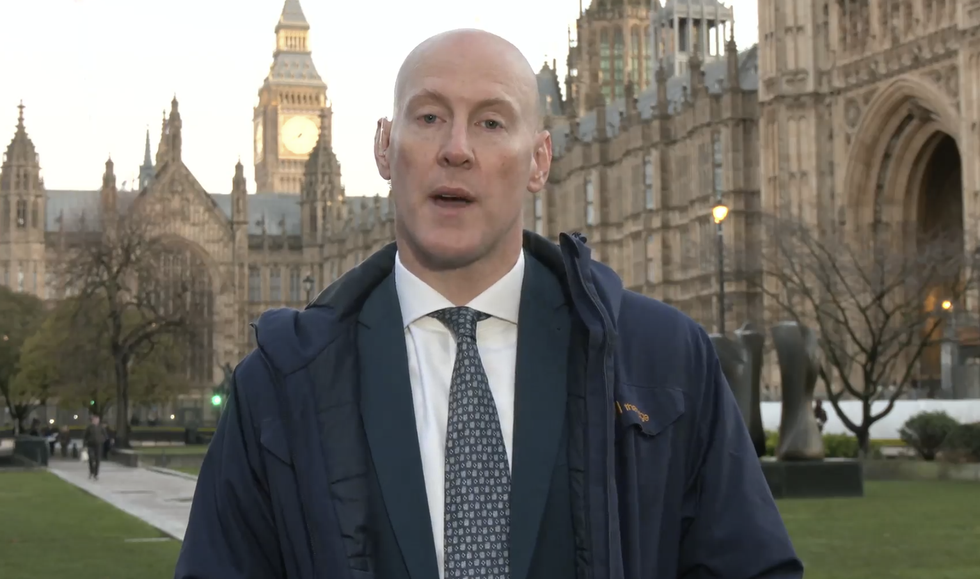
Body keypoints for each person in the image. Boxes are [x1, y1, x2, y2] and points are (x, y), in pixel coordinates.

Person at [176, 29, 802, 579]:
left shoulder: (664, 362)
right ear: (384, 148)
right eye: (429, 117)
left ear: (539, 161)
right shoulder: (278, 387)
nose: (457, 149)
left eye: (491, 123)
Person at [82, 415, 106, 480]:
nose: (96, 421)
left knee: (97, 460)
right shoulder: (89, 428)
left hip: (98, 445)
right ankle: (91, 471)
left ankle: (96, 474)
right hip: (91, 445)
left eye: (97, 420)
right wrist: (84, 445)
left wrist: (102, 440)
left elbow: (105, 435)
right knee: (91, 458)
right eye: (95, 420)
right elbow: (85, 437)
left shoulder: (101, 427)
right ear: (92, 420)